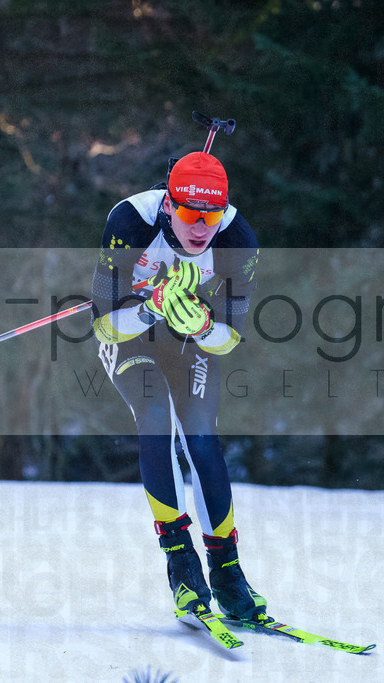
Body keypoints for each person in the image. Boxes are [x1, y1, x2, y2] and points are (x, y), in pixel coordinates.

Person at [90, 151, 265, 620]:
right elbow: (104, 326)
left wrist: (204, 324)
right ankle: (182, 565)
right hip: (130, 332)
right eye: (190, 213)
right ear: (169, 204)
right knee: (154, 416)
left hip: (190, 334)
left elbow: (229, 338)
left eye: (211, 215)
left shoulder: (238, 239)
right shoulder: (130, 221)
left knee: (202, 436)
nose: (200, 227)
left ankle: (228, 573)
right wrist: (152, 308)